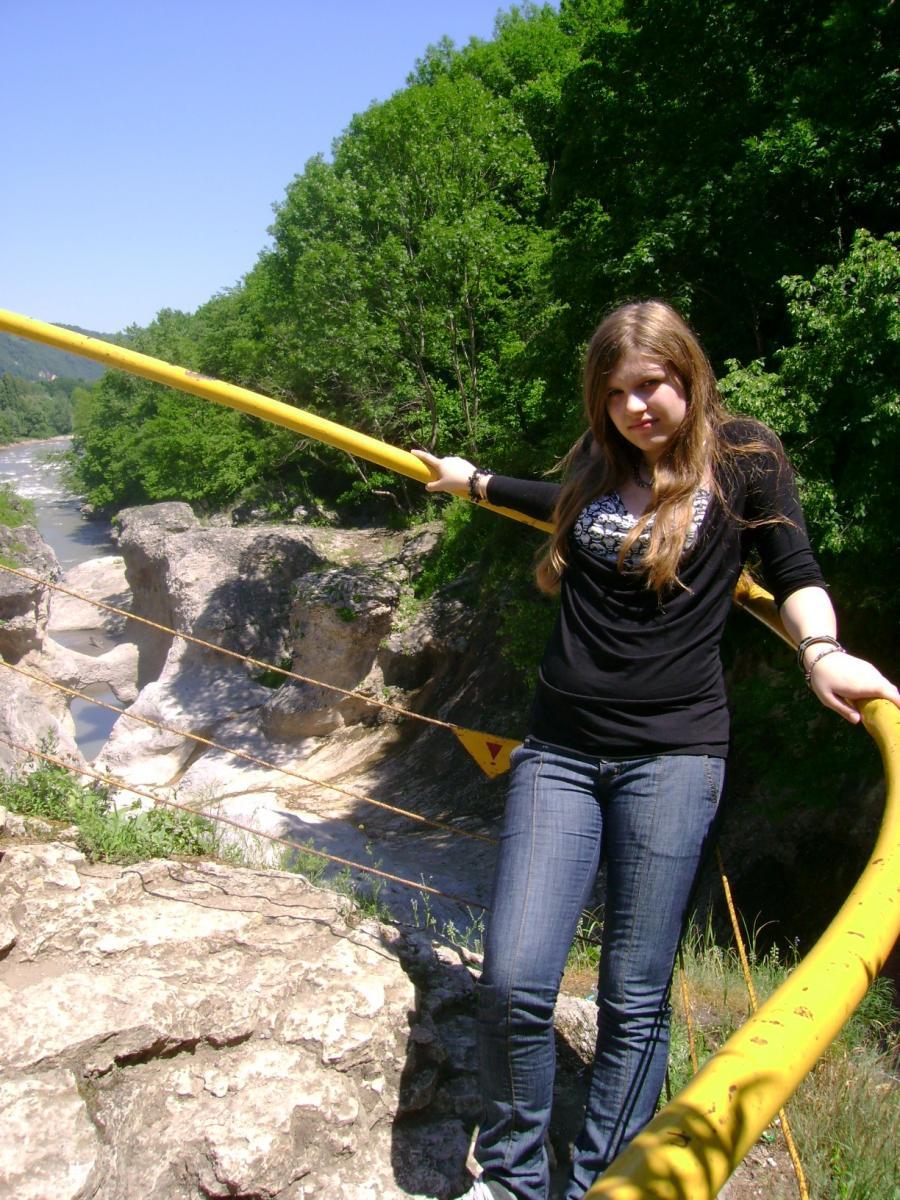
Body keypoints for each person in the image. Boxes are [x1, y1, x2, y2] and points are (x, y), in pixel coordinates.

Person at [411, 300, 900, 1200]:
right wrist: (471, 480)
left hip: (674, 759)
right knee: (514, 979)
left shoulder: (744, 456)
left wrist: (823, 651)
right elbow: (550, 503)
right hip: (558, 752)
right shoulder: (599, 462)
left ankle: (606, 1178)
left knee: (633, 997)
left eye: (651, 386)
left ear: (688, 375)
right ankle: (514, 1177)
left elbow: (794, 571)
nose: (635, 407)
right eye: (615, 392)